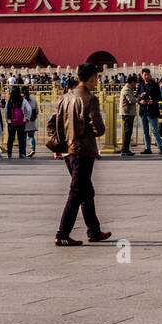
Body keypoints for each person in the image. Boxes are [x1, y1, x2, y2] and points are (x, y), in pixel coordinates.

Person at [54, 63, 112, 247]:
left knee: (86, 190)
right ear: (92, 78)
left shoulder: (65, 97)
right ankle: (62, 233)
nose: (97, 82)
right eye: (96, 78)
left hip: (67, 151)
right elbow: (99, 128)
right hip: (83, 151)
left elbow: (55, 123)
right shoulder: (89, 99)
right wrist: (93, 132)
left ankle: (94, 230)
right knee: (77, 192)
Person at [137, 68, 162, 155]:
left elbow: (159, 97)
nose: (146, 76)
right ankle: (147, 148)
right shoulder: (140, 85)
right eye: (145, 74)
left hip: (152, 111)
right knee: (145, 131)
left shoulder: (154, 84)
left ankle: (160, 148)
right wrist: (140, 101)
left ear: (150, 75)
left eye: (148, 74)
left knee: (155, 130)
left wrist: (153, 101)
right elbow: (137, 96)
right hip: (143, 111)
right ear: (142, 75)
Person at [5, 85, 28, 159]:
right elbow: (29, 109)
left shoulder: (10, 100)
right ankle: (22, 153)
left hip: (11, 122)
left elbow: (6, 111)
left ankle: (9, 153)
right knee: (21, 138)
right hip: (21, 122)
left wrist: (8, 119)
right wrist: (26, 118)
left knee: (11, 138)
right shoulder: (22, 100)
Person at [119, 77, 139, 156]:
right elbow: (131, 100)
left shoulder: (128, 89)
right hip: (127, 113)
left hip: (128, 113)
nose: (135, 85)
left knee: (128, 131)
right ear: (132, 82)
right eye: (135, 83)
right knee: (127, 132)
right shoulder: (126, 89)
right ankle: (125, 150)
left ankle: (125, 149)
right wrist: (139, 98)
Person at [22, 87, 38, 157]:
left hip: (24, 119)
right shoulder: (33, 98)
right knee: (31, 136)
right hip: (32, 119)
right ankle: (32, 149)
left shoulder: (22, 99)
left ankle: (23, 151)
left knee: (23, 137)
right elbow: (37, 109)